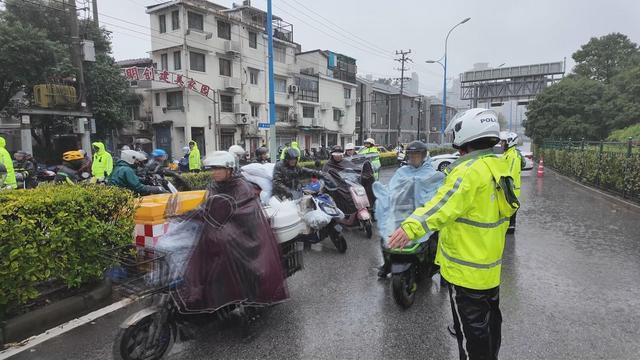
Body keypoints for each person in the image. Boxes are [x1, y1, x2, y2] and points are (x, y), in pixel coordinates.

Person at [388, 108, 515, 360]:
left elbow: (441, 206)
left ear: (466, 139)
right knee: (490, 325)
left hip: (467, 271)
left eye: (460, 147)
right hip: (488, 268)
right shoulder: (498, 166)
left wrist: (409, 228)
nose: (459, 152)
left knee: (471, 336)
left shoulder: (467, 172)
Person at [175, 151, 288, 312]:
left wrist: (218, 222)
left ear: (229, 169)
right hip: (220, 229)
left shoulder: (241, 187)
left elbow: (239, 212)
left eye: (218, 169)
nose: (214, 172)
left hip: (246, 234)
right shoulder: (213, 185)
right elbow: (209, 208)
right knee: (203, 247)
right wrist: (186, 215)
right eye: (212, 169)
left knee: (222, 245)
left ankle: (240, 295)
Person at [374, 140, 444, 278]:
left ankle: (439, 267)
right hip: (402, 212)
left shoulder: (431, 173)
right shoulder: (402, 171)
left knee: (438, 236)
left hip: (424, 214)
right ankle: (387, 264)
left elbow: (438, 192)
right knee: (386, 236)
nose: (414, 157)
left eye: (417, 154)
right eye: (411, 155)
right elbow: (391, 188)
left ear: (424, 155)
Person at [500, 131, 525, 234]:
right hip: (510, 187)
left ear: (509, 142)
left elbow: (509, 173)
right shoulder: (508, 154)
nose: (501, 144)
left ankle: (510, 227)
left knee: (510, 207)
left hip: (511, 187)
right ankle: (509, 226)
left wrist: (505, 186)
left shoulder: (513, 155)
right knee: (509, 206)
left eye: (503, 142)